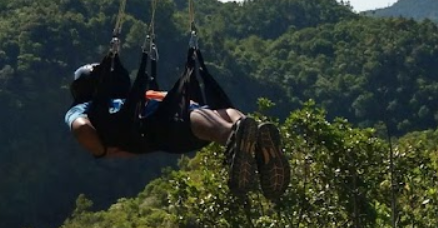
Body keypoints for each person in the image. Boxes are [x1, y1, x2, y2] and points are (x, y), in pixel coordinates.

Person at [65, 63, 290, 201]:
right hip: (173, 118)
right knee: (224, 110)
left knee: (191, 117)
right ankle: (249, 135)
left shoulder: (89, 107)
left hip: (167, 126)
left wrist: (102, 152)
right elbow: (83, 128)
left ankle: (235, 137)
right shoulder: (107, 104)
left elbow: (82, 127)